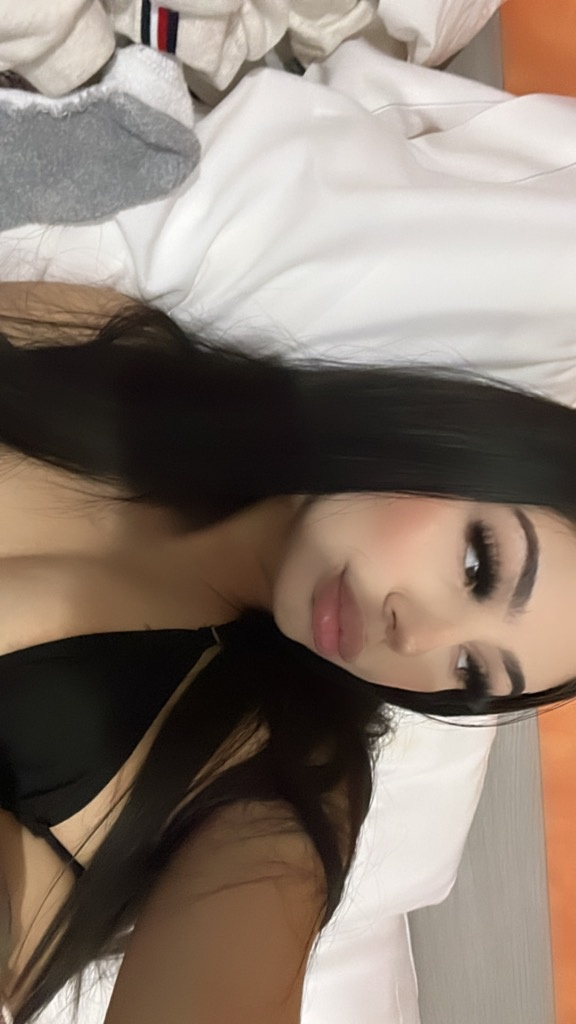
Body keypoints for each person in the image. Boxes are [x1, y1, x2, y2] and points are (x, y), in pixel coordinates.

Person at [0, 278, 575, 1023]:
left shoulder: (288, 787)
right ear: (452, 442)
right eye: (478, 565)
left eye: (470, 671)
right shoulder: (113, 348)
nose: (415, 637)